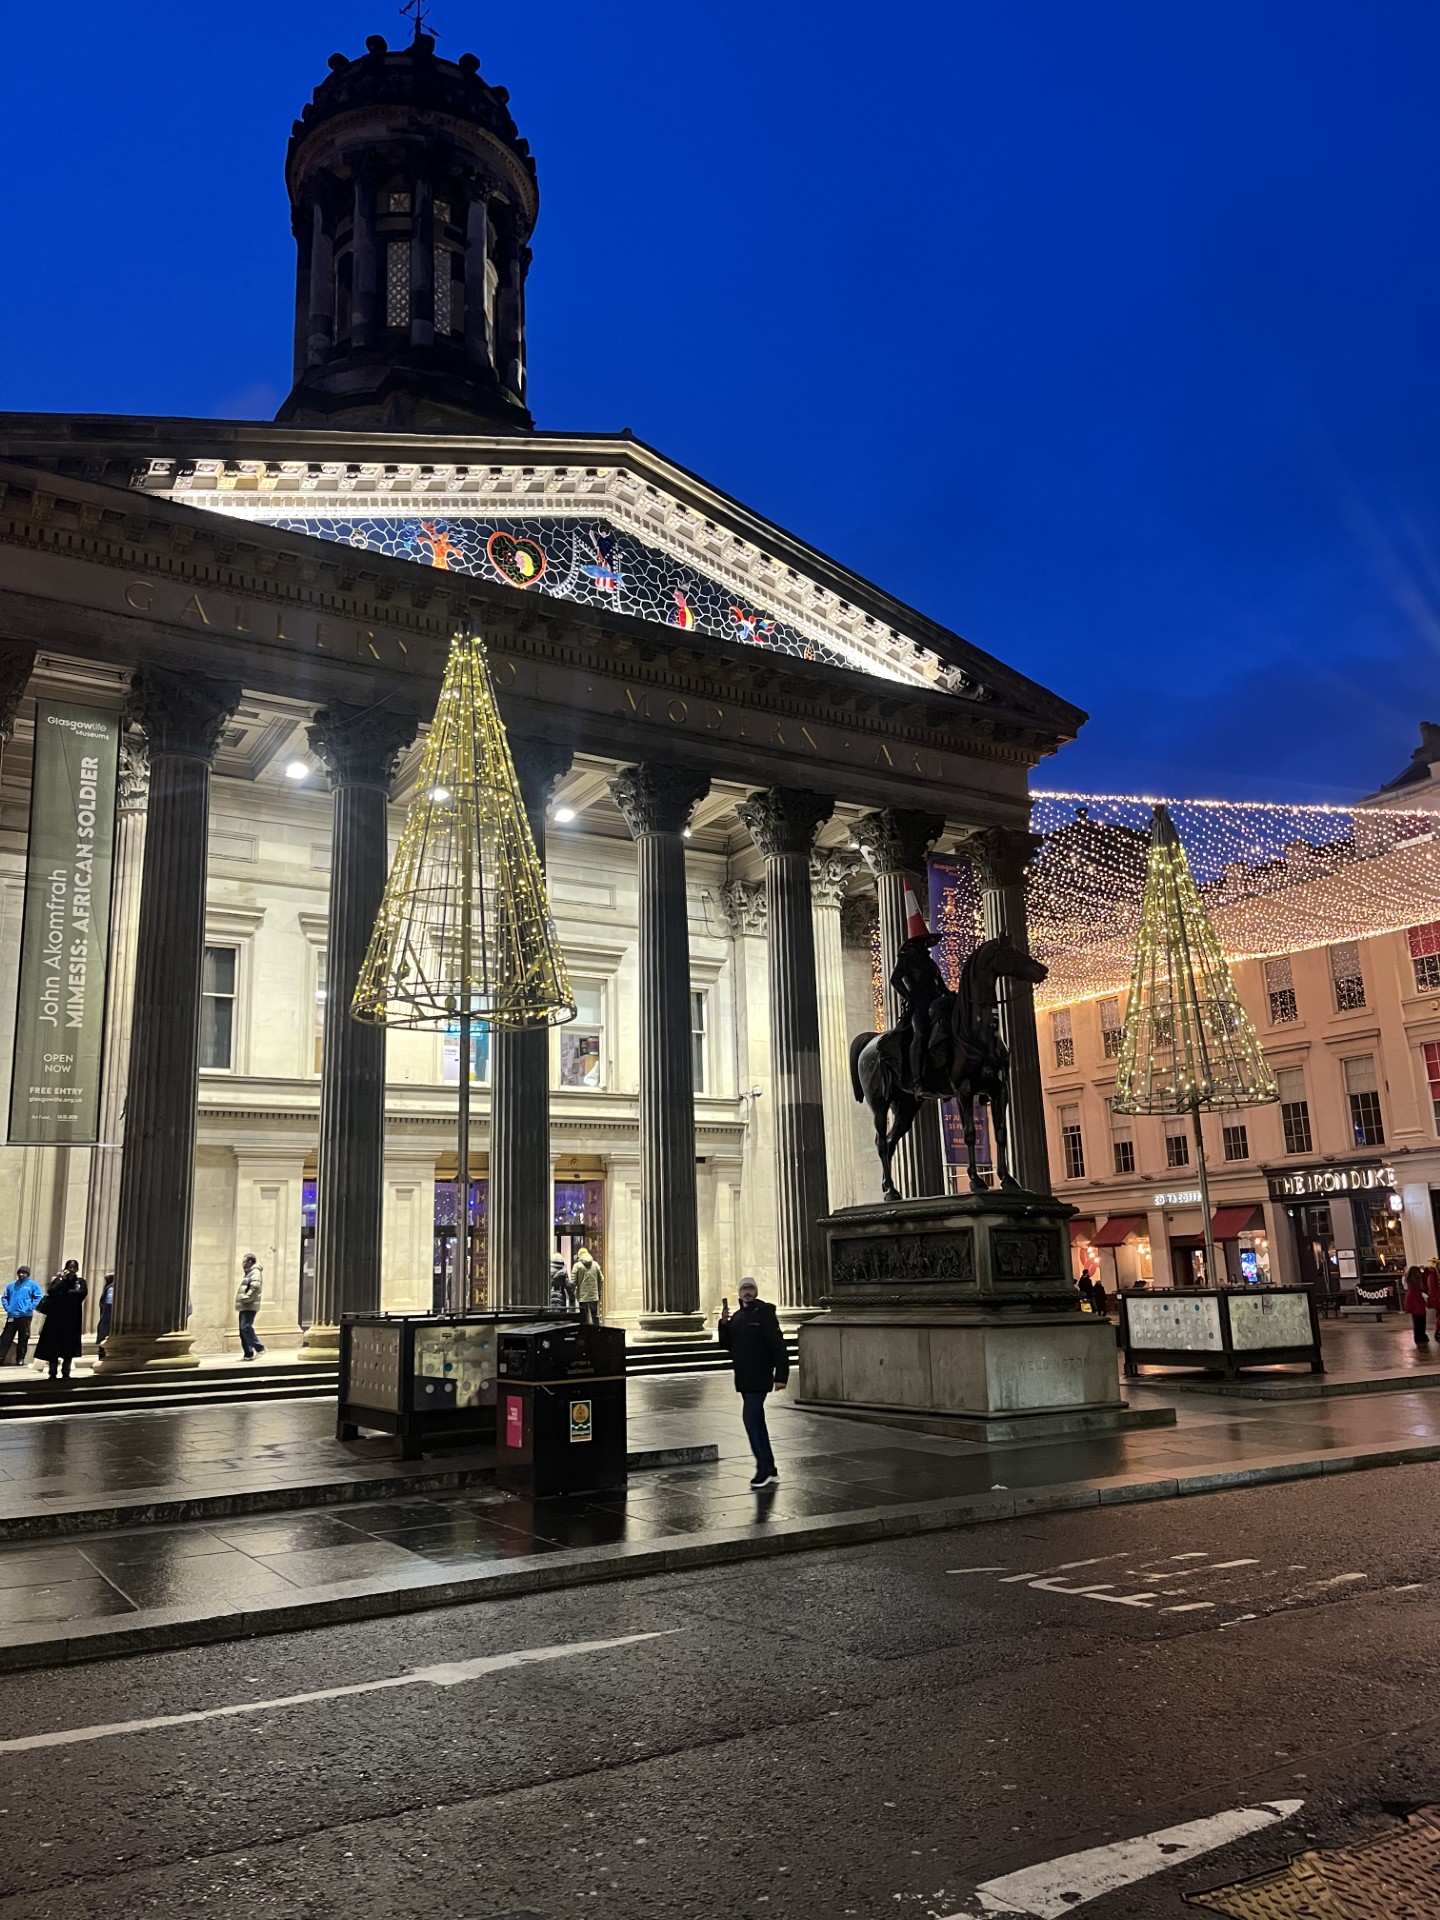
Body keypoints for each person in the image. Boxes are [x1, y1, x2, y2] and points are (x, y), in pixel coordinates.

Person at [718, 1277, 790, 1489]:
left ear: (756, 1292)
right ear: (739, 1294)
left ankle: (763, 1469)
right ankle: (771, 1468)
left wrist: (781, 1377)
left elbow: (779, 1346)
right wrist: (723, 1325)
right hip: (744, 1378)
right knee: (757, 1422)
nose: (747, 1293)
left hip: (759, 1376)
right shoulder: (739, 1317)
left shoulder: (765, 1314)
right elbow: (727, 1345)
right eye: (744, 1289)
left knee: (750, 1420)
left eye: (750, 1289)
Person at [35, 1261, 86, 1381]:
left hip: (71, 1319)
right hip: (56, 1319)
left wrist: (64, 1293)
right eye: (69, 1267)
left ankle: (66, 1372)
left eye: (74, 1268)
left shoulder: (80, 1282)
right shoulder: (58, 1280)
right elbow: (52, 1292)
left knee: (68, 1348)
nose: (71, 1270)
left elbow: (81, 1294)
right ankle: (52, 1372)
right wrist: (63, 1280)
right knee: (53, 1346)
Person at [0, 1267, 42, 1366]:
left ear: (28, 1274)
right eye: (20, 1272)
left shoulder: (32, 1285)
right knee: (6, 1338)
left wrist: (29, 1308)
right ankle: (1, 1357)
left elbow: (38, 1297)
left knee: (23, 1337)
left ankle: (20, 1358)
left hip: (25, 1316)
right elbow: (5, 1297)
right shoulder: (12, 1285)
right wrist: (8, 1308)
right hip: (12, 1315)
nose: (21, 1274)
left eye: (24, 1273)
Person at [235, 1253, 265, 1360]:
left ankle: (259, 1348)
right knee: (242, 1330)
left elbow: (255, 1286)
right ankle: (248, 1354)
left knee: (245, 1327)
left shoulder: (255, 1272)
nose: (242, 1264)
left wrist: (246, 1298)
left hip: (249, 1305)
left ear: (250, 1262)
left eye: (244, 1261)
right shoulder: (249, 1273)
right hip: (245, 1305)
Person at [572, 1245, 603, 1327]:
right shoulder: (595, 1265)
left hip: (582, 1296)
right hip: (594, 1295)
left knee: (583, 1317)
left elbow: (573, 1282)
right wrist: (598, 1290)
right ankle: (597, 1333)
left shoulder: (577, 1266)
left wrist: (573, 1292)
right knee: (595, 1315)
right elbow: (601, 1279)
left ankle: (584, 1335)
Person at [1405, 1266, 1432, 1346]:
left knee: (1417, 1321)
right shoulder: (1416, 1281)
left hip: (1413, 1304)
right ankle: (1421, 1336)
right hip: (1417, 1303)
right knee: (1420, 1321)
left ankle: (1419, 1337)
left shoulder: (1409, 1280)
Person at [96, 1275, 115, 1359]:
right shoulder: (111, 1289)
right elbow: (109, 1304)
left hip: (106, 1319)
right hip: (109, 1319)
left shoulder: (108, 1289)